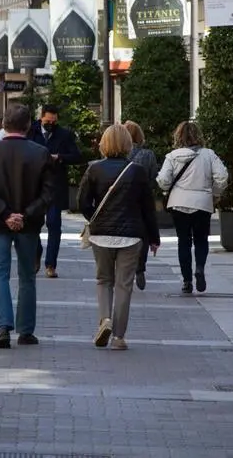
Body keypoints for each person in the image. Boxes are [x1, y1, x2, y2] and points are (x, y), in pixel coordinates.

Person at [0, 104, 55, 349]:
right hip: (28, 225)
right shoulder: (41, 153)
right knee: (27, 276)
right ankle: (26, 330)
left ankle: (3, 327)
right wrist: (24, 215)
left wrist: (5, 213)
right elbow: (49, 192)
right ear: (28, 125)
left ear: (4, 125)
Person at [78, 125, 160, 350]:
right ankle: (119, 337)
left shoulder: (94, 169)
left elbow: (82, 202)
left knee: (104, 280)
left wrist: (94, 218)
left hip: (101, 234)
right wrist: (154, 238)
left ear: (104, 144)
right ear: (128, 144)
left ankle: (105, 319)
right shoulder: (137, 171)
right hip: (131, 236)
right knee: (124, 284)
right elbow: (148, 209)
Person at [157, 121, 228, 294]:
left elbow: (163, 180)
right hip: (202, 203)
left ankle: (187, 280)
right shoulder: (209, 155)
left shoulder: (172, 156)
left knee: (184, 241)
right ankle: (200, 268)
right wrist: (215, 193)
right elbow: (222, 176)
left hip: (179, 203)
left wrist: (168, 190)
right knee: (201, 239)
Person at [27, 104, 82, 278]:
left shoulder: (64, 134)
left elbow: (77, 156)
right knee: (33, 224)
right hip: (34, 187)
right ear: (41, 117)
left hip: (55, 186)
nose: (50, 123)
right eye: (47, 120)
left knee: (54, 224)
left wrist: (60, 157)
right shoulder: (30, 132)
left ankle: (51, 264)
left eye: (54, 121)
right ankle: (36, 252)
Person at [123, 120, 158, 290]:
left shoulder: (117, 154)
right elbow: (153, 177)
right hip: (142, 199)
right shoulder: (148, 155)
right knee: (142, 234)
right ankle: (140, 266)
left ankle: (125, 267)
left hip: (121, 200)